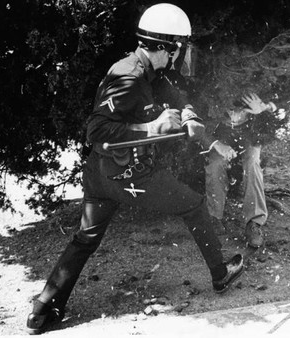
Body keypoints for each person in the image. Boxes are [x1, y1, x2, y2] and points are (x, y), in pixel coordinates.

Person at [26, 4, 244, 335]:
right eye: (178, 47)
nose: (180, 54)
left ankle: (42, 311)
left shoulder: (146, 71)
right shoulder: (129, 77)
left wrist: (188, 113)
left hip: (101, 175)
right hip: (129, 175)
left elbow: (173, 93)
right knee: (195, 204)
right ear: (167, 46)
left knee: (85, 239)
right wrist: (152, 129)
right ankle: (219, 273)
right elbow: (95, 132)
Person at [202, 93, 277, 248]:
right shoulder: (213, 79)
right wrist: (216, 143)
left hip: (250, 132)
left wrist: (264, 107)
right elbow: (196, 121)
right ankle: (214, 216)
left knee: (252, 163)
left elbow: (281, 102)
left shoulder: (255, 78)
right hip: (221, 132)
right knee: (215, 164)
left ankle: (254, 222)